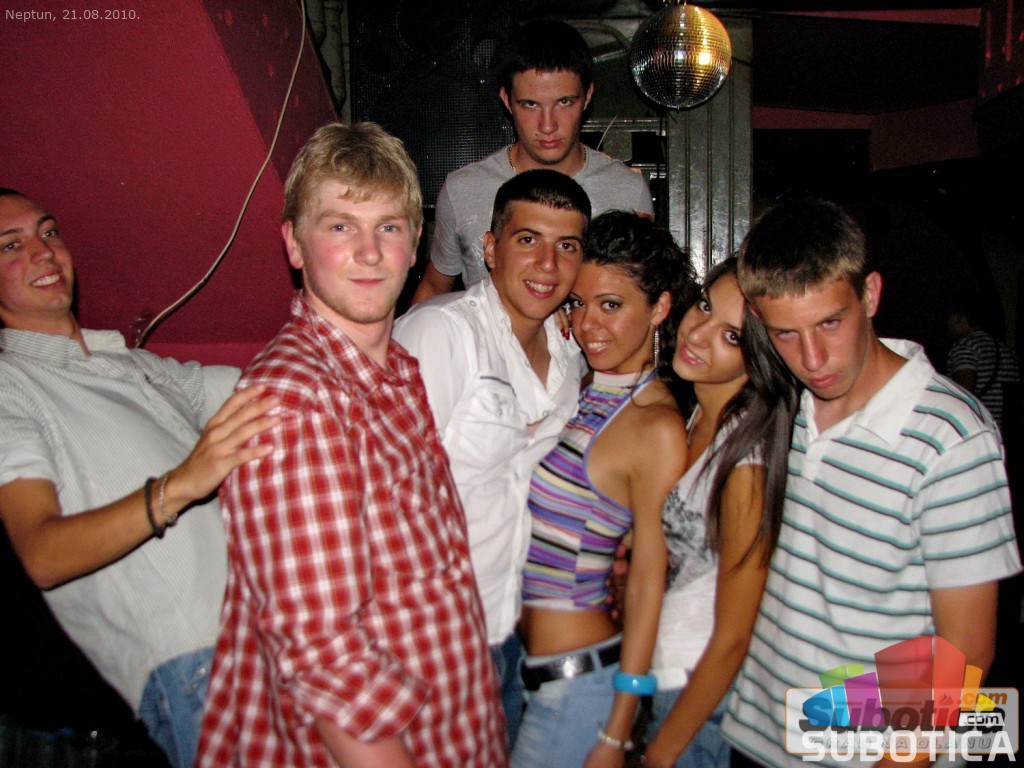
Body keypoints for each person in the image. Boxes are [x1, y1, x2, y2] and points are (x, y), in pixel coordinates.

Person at [196, 122, 507, 768]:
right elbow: (325, 656)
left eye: (388, 227)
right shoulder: (296, 398)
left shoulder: (398, 370)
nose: (369, 252)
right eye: (340, 226)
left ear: (416, 244)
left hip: (447, 733)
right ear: (294, 243)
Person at [721, 198, 1023, 768]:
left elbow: (963, 653)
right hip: (758, 734)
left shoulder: (950, 435)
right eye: (786, 333)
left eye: (830, 323)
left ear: (870, 294)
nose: (813, 358)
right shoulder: (782, 407)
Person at [0, 188, 279, 768]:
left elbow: (271, 392)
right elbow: (41, 553)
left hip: (269, 638)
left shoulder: (133, 363)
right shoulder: (11, 385)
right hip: (196, 665)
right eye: (10, 245)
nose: (43, 252)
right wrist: (182, 483)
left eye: (48, 232)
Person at [393, 169, 591, 747]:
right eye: (528, 239)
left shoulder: (573, 354)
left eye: (567, 246)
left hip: (514, 627)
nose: (548, 264)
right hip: (431, 635)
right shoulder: (440, 333)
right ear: (489, 248)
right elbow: (387, 490)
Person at [511, 210, 693, 768]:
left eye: (611, 305)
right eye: (578, 302)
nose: (588, 323)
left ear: (659, 308)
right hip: (527, 671)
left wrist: (617, 733)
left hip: (580, 691)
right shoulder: (585, 387)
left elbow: (647, 584)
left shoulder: (655, 426)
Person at [641, 258, 798, 768]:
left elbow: (733, 637)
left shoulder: (744, 459)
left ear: (758, 358)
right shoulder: (696, 414)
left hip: (699, 699)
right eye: (705, 307)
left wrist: (662, 752)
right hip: (670, 677)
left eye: (731, 337)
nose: (698, 333)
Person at [411, 19, 653, 305]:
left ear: (587, 96)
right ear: (506, 100)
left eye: (564, 102)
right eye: (530, 104)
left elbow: (644, 299)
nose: (547, 125)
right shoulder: (463, 190)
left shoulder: (627, 190)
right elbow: (433, 291)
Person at [945, 297, 1020, 434]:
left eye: (948, 318)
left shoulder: (965, 347)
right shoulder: (1005, 349)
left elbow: (963, 391)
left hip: (980, 429)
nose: (946, 324)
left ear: (960, 318)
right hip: (1004, 432)